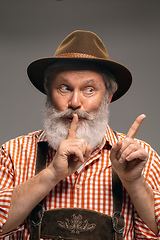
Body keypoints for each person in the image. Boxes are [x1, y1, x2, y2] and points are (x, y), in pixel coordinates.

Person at [0, 30, 160, 240]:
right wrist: (51, 175)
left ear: (108, 97)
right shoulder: (13, 153)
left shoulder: (139, 158)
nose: (75, 102)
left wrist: (134, 183)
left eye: (89, 90)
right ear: (49, 92)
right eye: (64, 88)